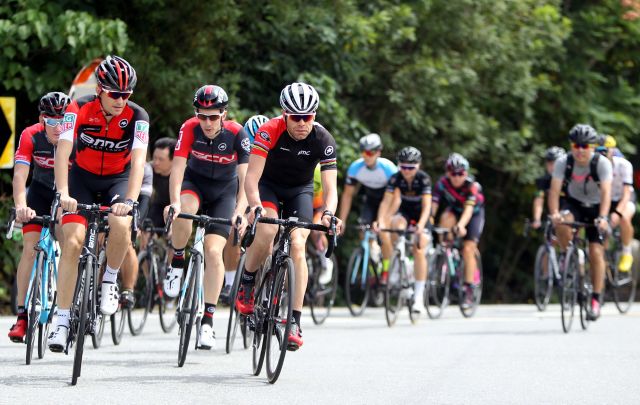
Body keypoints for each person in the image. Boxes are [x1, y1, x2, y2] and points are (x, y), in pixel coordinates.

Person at [48, 55, 150, 351]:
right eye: (115, 94)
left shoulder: (138, 116)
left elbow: (139, 162)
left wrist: (130, 200)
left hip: (117, 179)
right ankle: (62, 318)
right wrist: (63, 192)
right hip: (81, 178)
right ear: (100, 89)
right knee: (72, 242)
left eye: (126, 95)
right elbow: (63, 150)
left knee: (121, 223)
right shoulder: (77, 107)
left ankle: (110, 279)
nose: (121, 100)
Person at [236, 82, 342, 351]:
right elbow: (251, 178)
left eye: (307, 117)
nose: (301, 123)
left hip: (299, 191)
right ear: (285, 114)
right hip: (268, 187)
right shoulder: (269, 130)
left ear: (314, 116)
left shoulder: (323, 140)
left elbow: (331, 189)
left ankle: (294, 321)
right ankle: (248, 280)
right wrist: (256, 205)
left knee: (297, 244)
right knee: (268, 231)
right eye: (295, 117)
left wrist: (329, 213)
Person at [163, 85, 250, 350]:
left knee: (214, 252)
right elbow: (177, 168)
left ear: (224, 114)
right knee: (184, 211)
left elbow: (246, 180)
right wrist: (174, 202)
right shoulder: (189, 128)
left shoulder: (238, 134)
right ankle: (178, 260)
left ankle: (208, 322)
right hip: (195, 184)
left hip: (224, 192)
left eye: (213, 116)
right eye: (202, 116)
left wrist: (239, 211)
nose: (207, 122)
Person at [8, 92, 72, 342]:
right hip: (39, 193)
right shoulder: (30, 134)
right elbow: (20, 176)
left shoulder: (75, 138)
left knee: (69, 242)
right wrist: (21, 206)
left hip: (66, 194)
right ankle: (22, 316)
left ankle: (68, 307)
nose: (58, 128)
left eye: (63, 121)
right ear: (42, 119)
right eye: (52, 122)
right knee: (29, 249)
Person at [548, 124, 612, 320]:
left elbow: (606, 192)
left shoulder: (601, 163)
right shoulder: (563, 162)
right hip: (574, 203)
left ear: (592, 147)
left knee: (595, 252)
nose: (580, 150)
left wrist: (602, 217)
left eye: (585, 146)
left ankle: (595, 298)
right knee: (561, 222)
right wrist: (555, 213)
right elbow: (554, 191)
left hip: (595, 207)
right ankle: (568, 256)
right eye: (576, 146)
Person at [220, 114, 269, 303]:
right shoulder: (238, 152)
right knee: (234, 229)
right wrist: (239, 212)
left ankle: (268, 282)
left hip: (265, 196)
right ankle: (231, 283)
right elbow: (237, 187)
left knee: (270, 238)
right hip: (242, 196)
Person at [375, 146, 431, 313]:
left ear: (418, 166)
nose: (406, 171)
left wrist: (421, 225)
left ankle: (419, 296)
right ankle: (398, 263)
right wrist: (380, 221)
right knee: (394, 225)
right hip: (405, 213)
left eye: (411, 168)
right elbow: (386, 202)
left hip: (422, 214)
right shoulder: (395, 178)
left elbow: (427, 206)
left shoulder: (423, 179)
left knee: (419, 249)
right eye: (403, 167)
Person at [431, 153, 485, 308]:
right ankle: (445, 253)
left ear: (466, 173)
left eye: (460, 173)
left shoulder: (472, 187)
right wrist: (429, 219)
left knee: (468, 249)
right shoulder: (442, 183)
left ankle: (468, 288)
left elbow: (468, 210)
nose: (456, 177)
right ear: (447, 173)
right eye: (453, 173)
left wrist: (461, 226)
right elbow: (434, 205)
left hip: (473, 215)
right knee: (445, 218)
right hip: (454, 211)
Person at [338, 133, 397, 276]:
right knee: (363, 232)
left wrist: (383, 219)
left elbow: (395, 197)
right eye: (363, 152)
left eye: (370, 152)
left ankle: (386, 271)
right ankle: (373, 267)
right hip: (370, 200)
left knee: (383, 231)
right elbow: (347, 196)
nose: (366, 156)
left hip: (388, 200)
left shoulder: (389, 168)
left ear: (378, 152)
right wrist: (343, 220)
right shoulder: (356, 168)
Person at [119, 161, 153, 307]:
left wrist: (137, 225)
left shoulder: (145, 168)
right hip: (110, 200)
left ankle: (128, 289)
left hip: (133, 207)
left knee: (127, 244)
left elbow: (144, 200)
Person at [600, 135, 635, 272]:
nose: (601, 154)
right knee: (601, 227)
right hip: (607, 199)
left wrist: (618, 212)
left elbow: (627, 193)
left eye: (605, 150)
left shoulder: (623, 164)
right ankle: (603, 261)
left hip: (624, 198)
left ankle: (627, 252)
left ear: (612, 150)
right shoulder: (594, 165)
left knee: (624, 218)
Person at [531, 147, 565, 229]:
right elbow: (539, 199)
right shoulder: (544, 181)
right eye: (550, 163)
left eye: (556, 163)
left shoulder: (571, 180)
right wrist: (537, 219)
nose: (552, 167)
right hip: (553, 216)